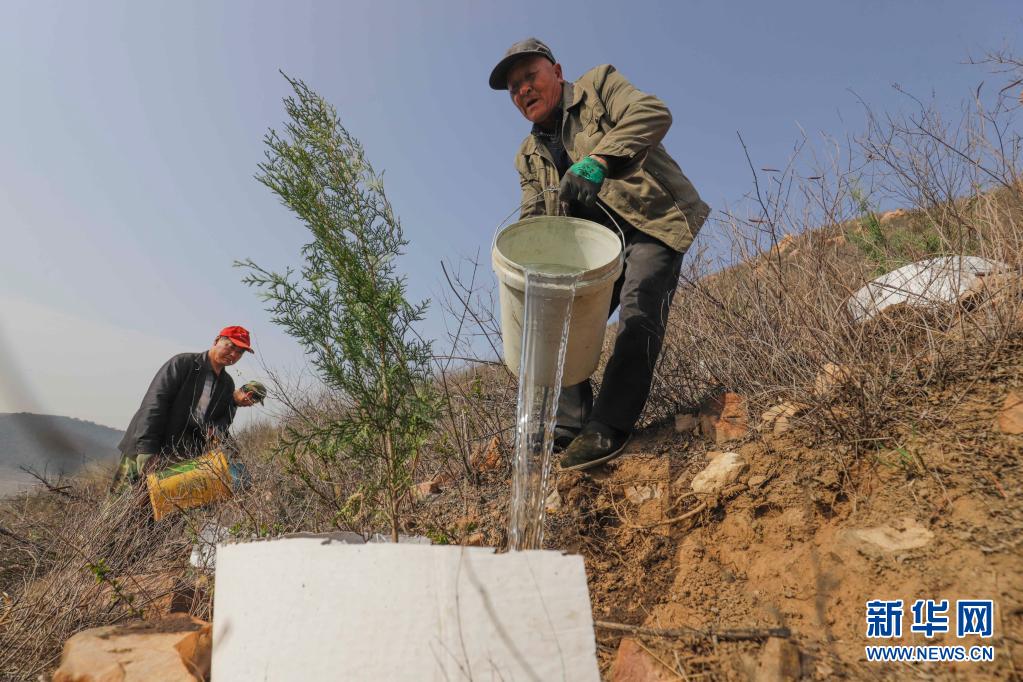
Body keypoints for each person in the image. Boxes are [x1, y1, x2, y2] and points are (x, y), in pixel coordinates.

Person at [489, 38, 710, 471]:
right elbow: (536, 222)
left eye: (530, 77)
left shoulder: (599, 85)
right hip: (592, 251)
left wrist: (599, 159)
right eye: (514, 89)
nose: (523, 92)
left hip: (650, 221)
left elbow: (652, 113)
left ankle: (607, 427)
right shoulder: (528, 155)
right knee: (557, 318)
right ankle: (569, 428)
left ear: (556, 71)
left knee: (639, 310)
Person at [110, 326, 255, 491]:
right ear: (216, 341)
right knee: (119, 506)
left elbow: (219, 424)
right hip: (146, 449)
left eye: (240, 352)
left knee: (155, 513)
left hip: (179, 459)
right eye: (231, 346)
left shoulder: (226, 384)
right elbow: (155, 404)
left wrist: (233, 405)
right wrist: (147, 450)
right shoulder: (183, 363)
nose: (234, 354)